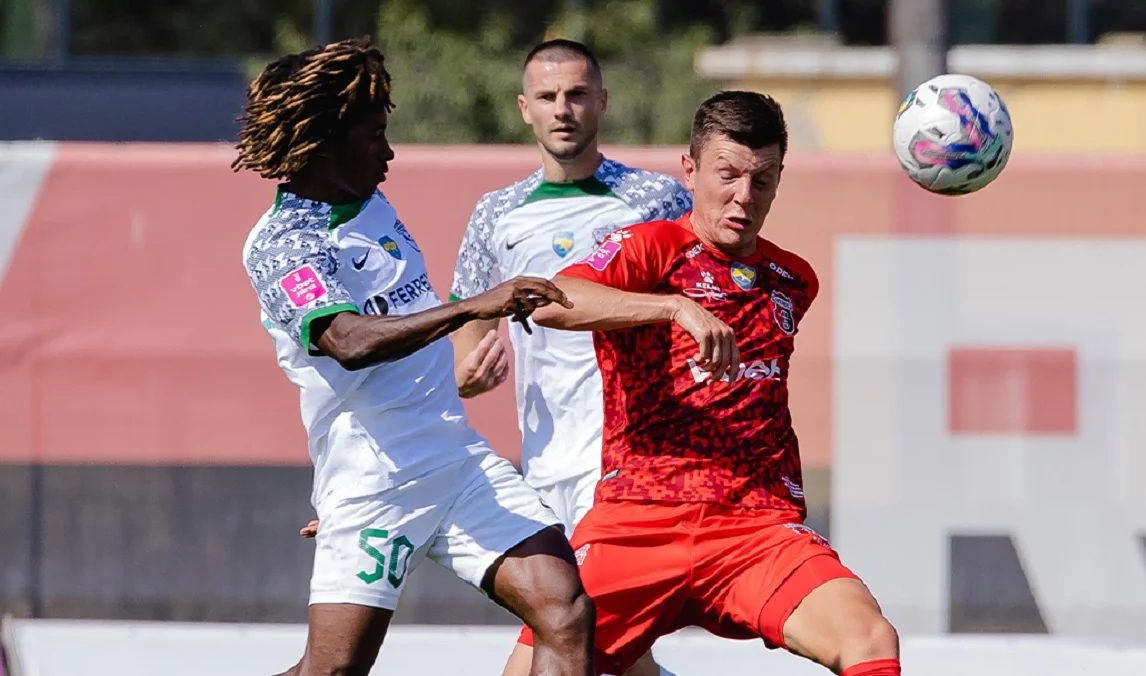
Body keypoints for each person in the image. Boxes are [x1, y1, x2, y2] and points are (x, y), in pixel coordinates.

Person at [234, 37, 595, 676]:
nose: (389, 151)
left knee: (565, 612)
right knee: (332, 671)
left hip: (455, 459)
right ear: (326, 143)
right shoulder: (284, 244)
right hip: (375, 480)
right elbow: (347, 343)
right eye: (375, 135)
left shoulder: (369, 202)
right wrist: (474, 307)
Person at [514, 90, 904, 676]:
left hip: (756, 525)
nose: (744, 196)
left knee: (870, 638)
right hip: (638, 519)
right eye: (728, 175)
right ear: (690, 170)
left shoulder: (792, 279)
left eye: (762, 180)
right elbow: (550, 303)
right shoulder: (651, 249)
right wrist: (674, 307)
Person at [447, 38, 691, 676]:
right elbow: (467, 346)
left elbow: (702, 301)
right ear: (524, 108)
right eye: (549, 96)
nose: (563, 109)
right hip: (542, 458)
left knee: (568, 632)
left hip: (625, 458)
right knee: (599, 645)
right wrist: (472, 378)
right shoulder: (496, 214)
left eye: (577, 94)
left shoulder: (657, 201)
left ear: (602, 102)